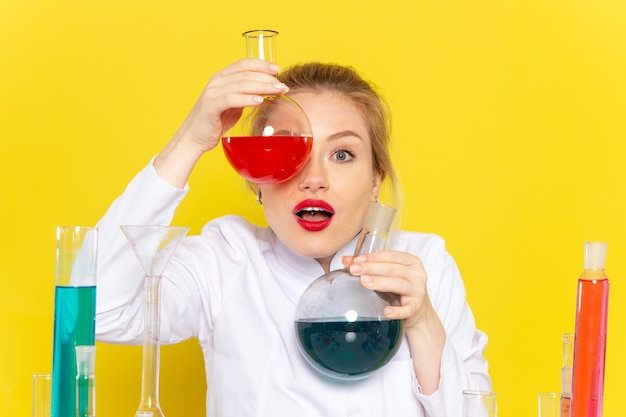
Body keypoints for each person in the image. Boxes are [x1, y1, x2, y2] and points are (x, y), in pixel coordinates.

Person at [95, 58, 491, 416]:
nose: (313, 179)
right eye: (287, 148)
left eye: (341, 155)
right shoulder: (225, 259)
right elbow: (95, 311)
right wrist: (190, 141)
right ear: (258, 180)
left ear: (375, 181)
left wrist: (421, 322)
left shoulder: (424, 265)